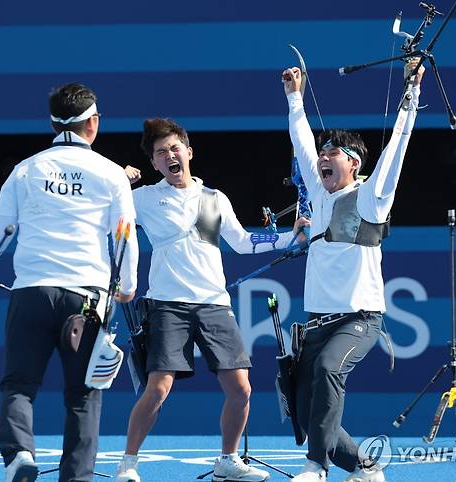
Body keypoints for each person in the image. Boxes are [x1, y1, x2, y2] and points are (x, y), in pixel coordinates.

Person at [115, 117, 309, 482]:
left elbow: (243, 242)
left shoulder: (215, 199)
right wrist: (118, 181)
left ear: (188, 152)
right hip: (167, 305)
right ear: (154, 164)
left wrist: (290, 238)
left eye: (175, 148)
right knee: (157, 389)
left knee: (241, 389)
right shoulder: (141, 198)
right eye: (160, 152)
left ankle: (228, 461)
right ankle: (128, 463)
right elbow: (101, 210)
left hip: (215, 304)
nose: (169, 155)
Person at [0, 83, 138, 482]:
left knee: (19, 385)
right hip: (86, 299)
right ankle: (76, 477)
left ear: (52, 122)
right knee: (83, 394)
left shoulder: (26, 169)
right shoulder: (112, 173)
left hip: (31, 294)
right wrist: (127, 286)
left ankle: (20, 456)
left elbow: (3, 229)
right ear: (93, 123)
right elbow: (124, 237)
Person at [280, 59, 425, 482]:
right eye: (323, 154)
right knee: (306, 412)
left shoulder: (370, 198)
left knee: (328, 370)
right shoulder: (318, 193)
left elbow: (397, 147)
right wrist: (294, 97)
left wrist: (411, 94)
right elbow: (302, 141)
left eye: (334, 154)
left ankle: (316, 467)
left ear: (355, 165)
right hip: (317, 321)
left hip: (360, 319)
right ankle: (366, 467)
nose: (323, 158)